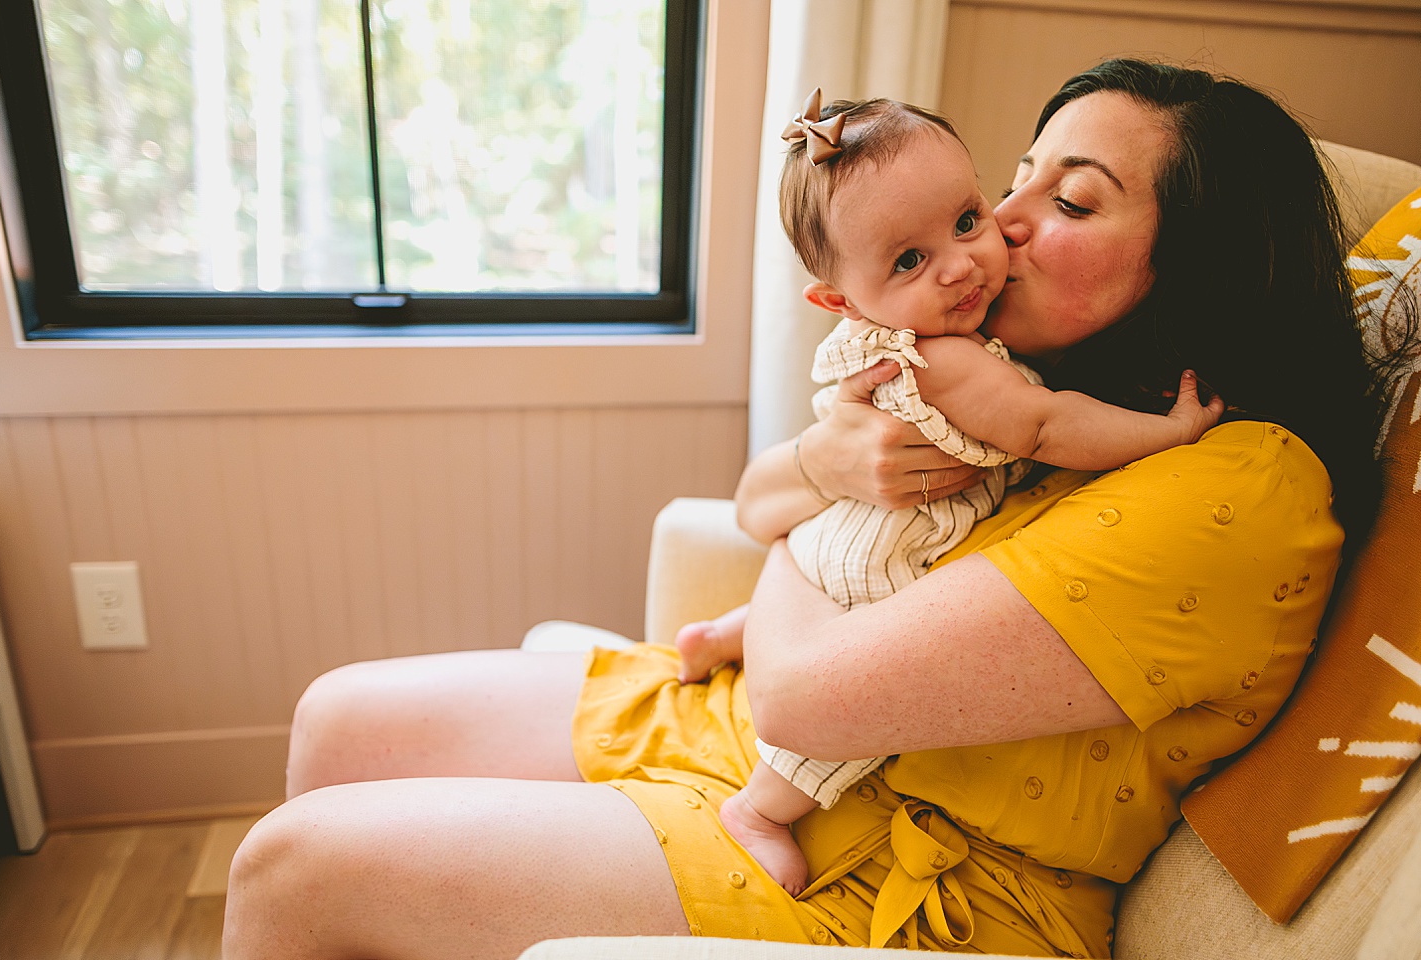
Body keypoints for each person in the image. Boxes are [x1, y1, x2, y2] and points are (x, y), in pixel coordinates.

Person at [221, 59, 1387, 960]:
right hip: (774, 742)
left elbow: (804, 689)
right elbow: (755, 497)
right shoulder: (1010, 374)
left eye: (1071, 201)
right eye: (1019, 176)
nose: (1009, 219)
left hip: (903, 869)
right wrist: (833, 475)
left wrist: (813, 531)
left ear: (1201, 269)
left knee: (291, 869)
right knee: (336, 720)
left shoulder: (1242, 483)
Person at [674, 89, 1224, 897]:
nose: (965, 259)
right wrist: (1170, 434)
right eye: (907, 261)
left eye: (967, 218)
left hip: (856, 541)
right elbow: (1044, 429)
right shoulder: (948, 356)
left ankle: (728, 636)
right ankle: (761, 810)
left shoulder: (946, 327)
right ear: (838, 302)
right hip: (886, 552)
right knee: (847, 693)